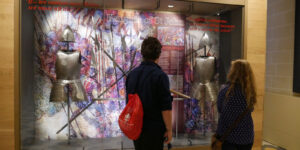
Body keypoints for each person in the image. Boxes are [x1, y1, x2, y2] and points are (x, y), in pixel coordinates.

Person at [125, 37, 173, 150]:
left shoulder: (132, 75)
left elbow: (128, 103)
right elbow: (165, 108)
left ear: (142, 53)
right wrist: (169, 130)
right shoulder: (161, 76)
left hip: (136, 127)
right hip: (154, 131)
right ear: (159, 54)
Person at [216, 59, 257, 150]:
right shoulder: (249, 92)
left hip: (227, 136)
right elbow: (251, 109)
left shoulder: (225, 91)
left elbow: (219, 109)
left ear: (233, 71)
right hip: (246, 136)